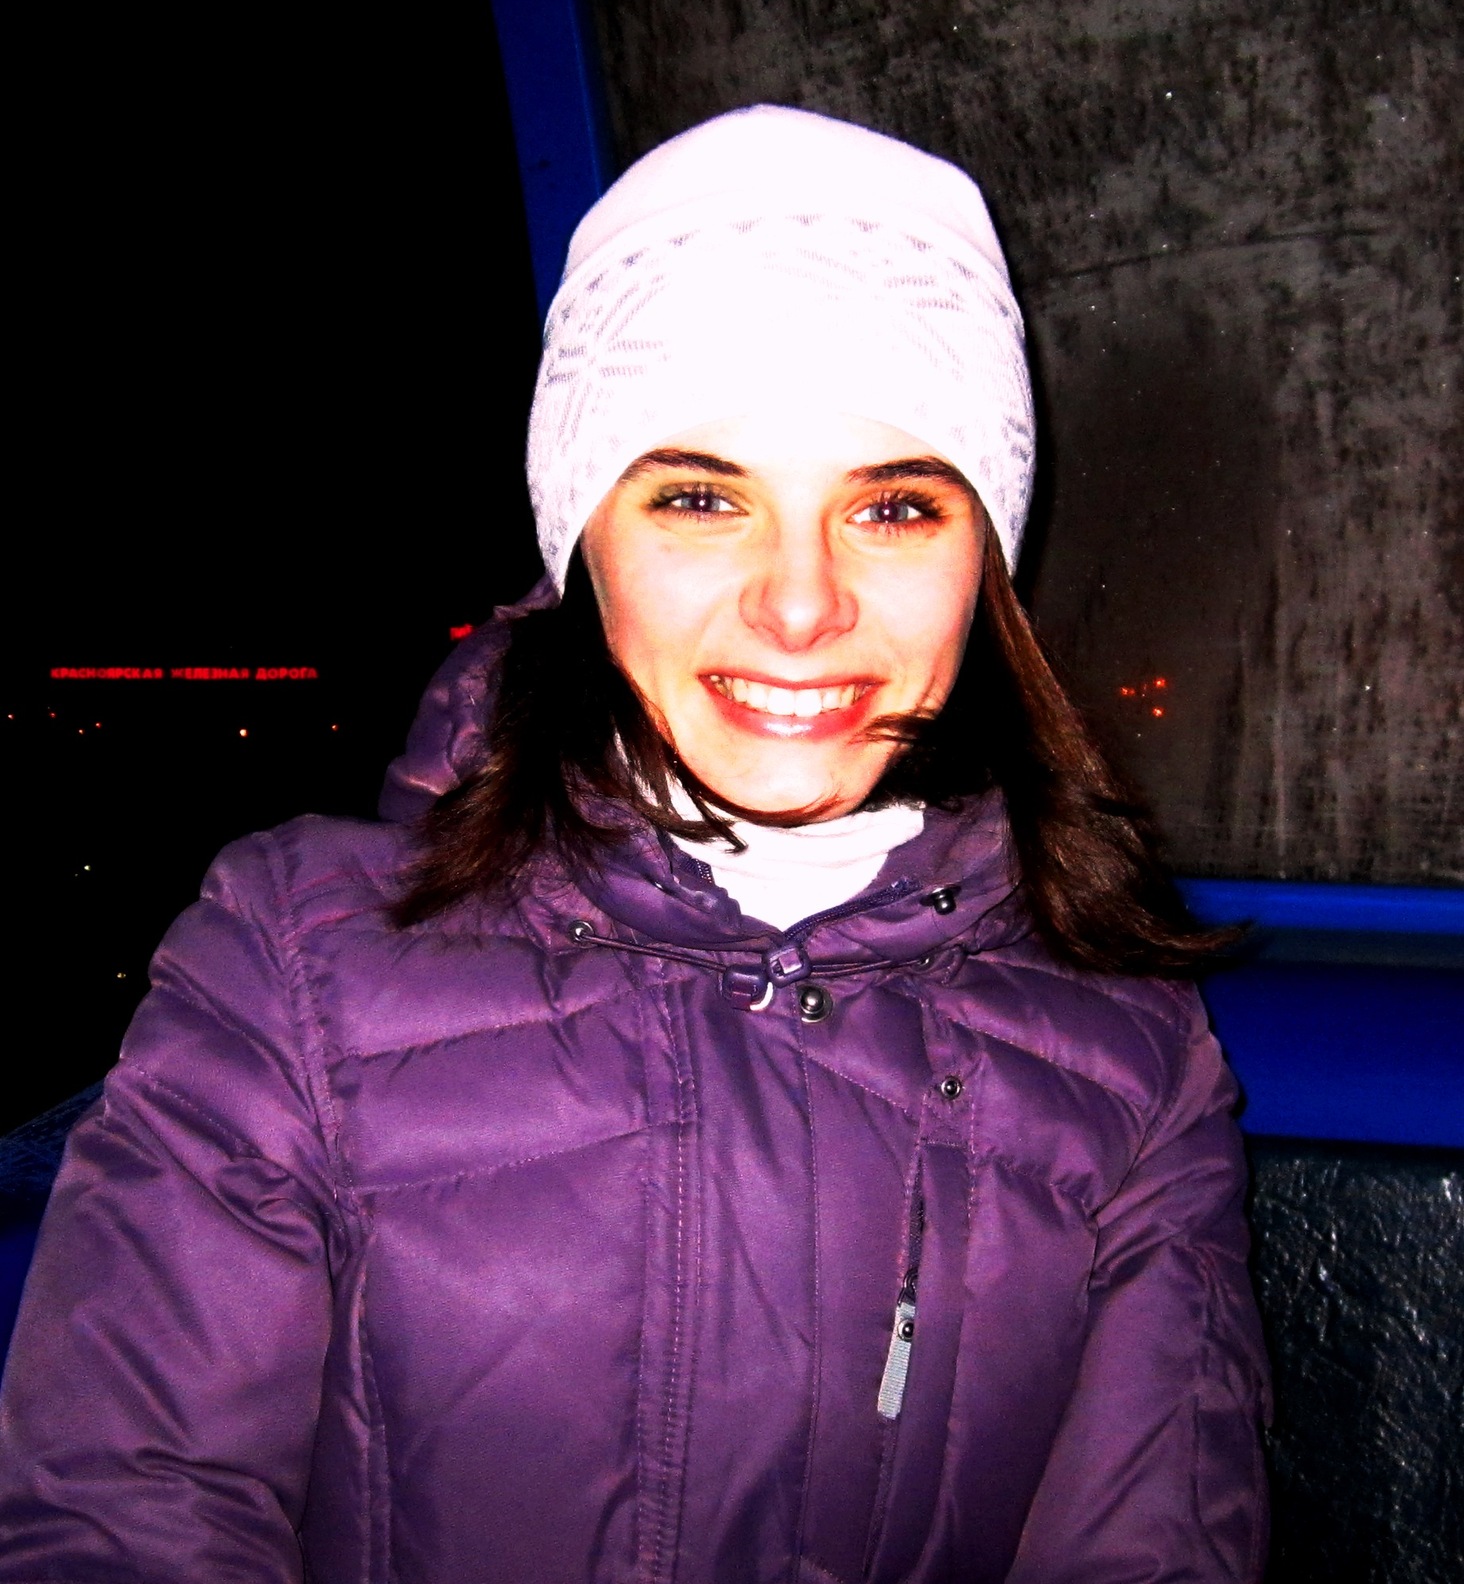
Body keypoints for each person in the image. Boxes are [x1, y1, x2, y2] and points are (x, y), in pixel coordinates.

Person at [0, 106, 1269, 1582]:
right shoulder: (291, 965)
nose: (801, 605)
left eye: (893, 507)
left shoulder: (1128, 1043)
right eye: (702, 499)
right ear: (582, 540)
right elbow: (126, 1518)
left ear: (982, 557)